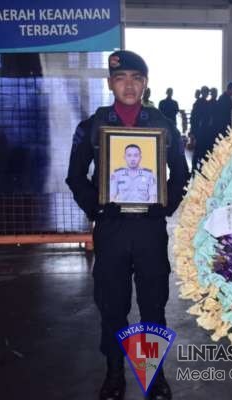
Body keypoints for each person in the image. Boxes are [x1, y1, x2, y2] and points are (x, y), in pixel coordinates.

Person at [66, 50, 189, 400]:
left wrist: (164, 206)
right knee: (112, 304)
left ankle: (153, 374)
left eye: (136, 78)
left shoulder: (163, 124)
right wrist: (97, 208)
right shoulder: (93, 126)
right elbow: (76, 176)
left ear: (146, 83)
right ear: (110, 83)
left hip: (149, 230)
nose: (129, 85)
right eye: (121, 78)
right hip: (112, 230)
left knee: (153, 304)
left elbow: (181, 173)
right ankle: (114, 373)